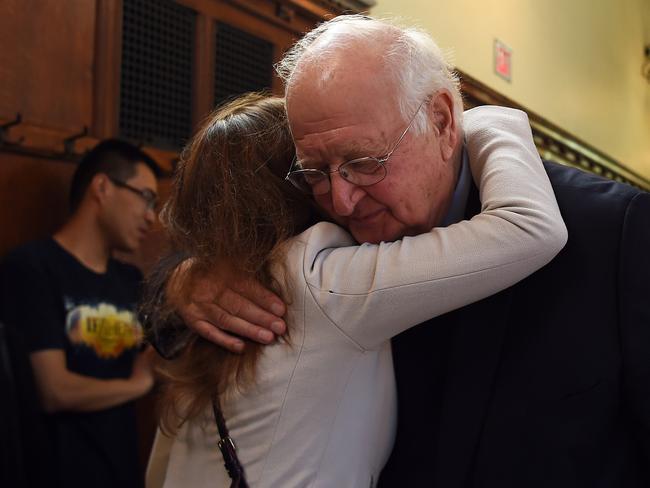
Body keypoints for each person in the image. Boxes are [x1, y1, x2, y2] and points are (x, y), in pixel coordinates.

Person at [156, 15, 650, 488]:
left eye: (364, 162)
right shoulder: (322, 230)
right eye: (315, 170)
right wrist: (182, 282)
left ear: (440, 120)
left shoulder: (613, 230)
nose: (341, 198)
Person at [145, 90, 565, 488]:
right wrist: (481, 118)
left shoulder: (198, 317)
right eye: (315, 168)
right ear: (293, 185)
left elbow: (157, 474)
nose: (342, 191)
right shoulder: (319, 277)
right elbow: (528, 226)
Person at [0, 139, 161, 488]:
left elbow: (156, 360)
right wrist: (136, 385)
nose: (151, 215)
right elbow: (54, 390)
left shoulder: (129, 279)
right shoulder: (31, 268)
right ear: (102, 188)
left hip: (123, 471)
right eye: (145, 198)